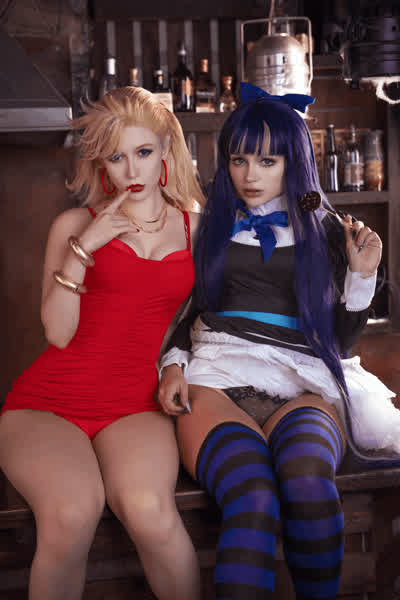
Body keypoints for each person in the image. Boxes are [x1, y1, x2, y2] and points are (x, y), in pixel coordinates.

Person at [158, 82, 400, 599]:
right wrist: (172, 364)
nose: (251, 175)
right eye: (239, 159)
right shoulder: (209, 225)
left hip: (303, 379)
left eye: (267, 161)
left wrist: (361, 276)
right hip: (218, 377)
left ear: (293, 163)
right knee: (252, 495)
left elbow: (341, 340)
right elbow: (187, 309)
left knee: (309, 484)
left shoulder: (326, 228)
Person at [0, 86, 205, 600]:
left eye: (143, 152)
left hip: (135, 403)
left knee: (150, 511)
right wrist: (84, 249)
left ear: (165, 150)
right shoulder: (74, 226)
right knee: (71, 512)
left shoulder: (197, 229)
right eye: (116, 157)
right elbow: (57, 333)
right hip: (46, 405)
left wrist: (177, 366)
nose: (132, 170)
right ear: (101, 165)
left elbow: (208, 319)